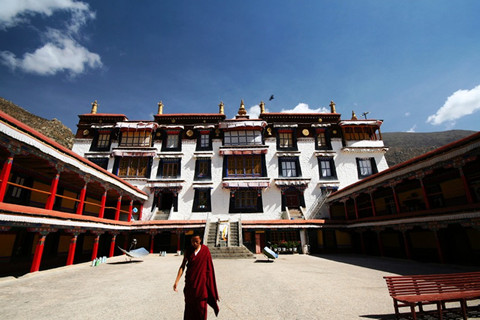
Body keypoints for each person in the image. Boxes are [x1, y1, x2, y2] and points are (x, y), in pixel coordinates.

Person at [173, 233, 219, 319]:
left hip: (201, 287)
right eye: (192, 241)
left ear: (200, 240)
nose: (194, 243)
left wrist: (213, 290)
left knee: (201, 311)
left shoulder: (205, 251)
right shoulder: (188, 251)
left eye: (196, 242)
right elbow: (182, 266)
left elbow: (210, 270)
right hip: (190, 286)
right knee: (189, 311)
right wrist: (176, 281)